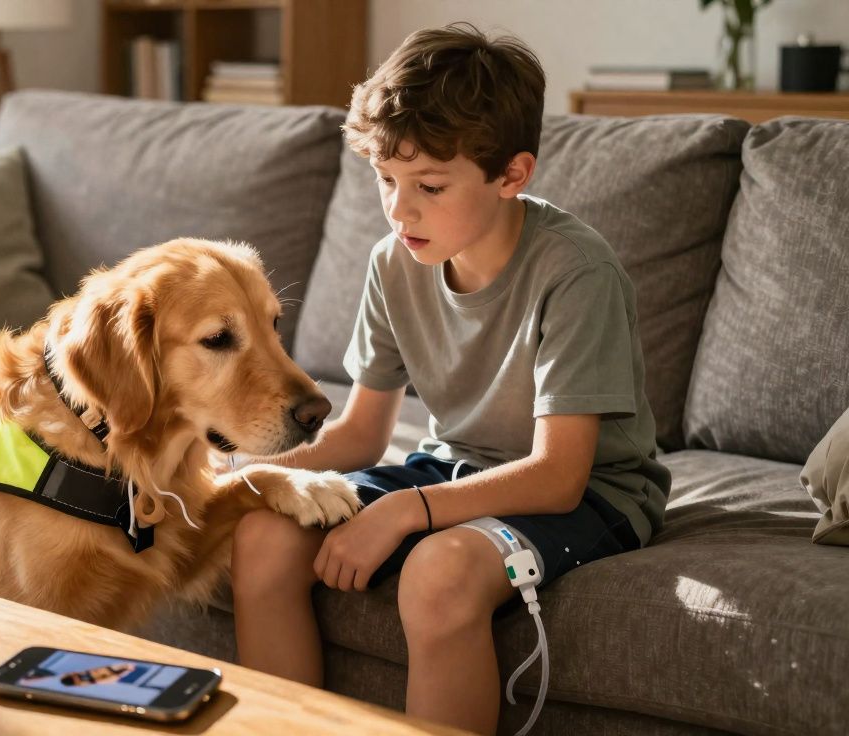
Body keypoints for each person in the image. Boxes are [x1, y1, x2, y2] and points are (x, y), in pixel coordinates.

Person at [229, 22, 670, 735]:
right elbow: (363, 434)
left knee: (440, 573)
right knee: (262, 536)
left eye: (430, 186)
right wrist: (241, 475)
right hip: (454, 467)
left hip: (594, 494)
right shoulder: (393, 262)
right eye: (386, 180)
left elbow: (560, 476)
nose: (400, 210)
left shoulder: (576, 273)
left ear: (512, 176)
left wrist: (405, 511)